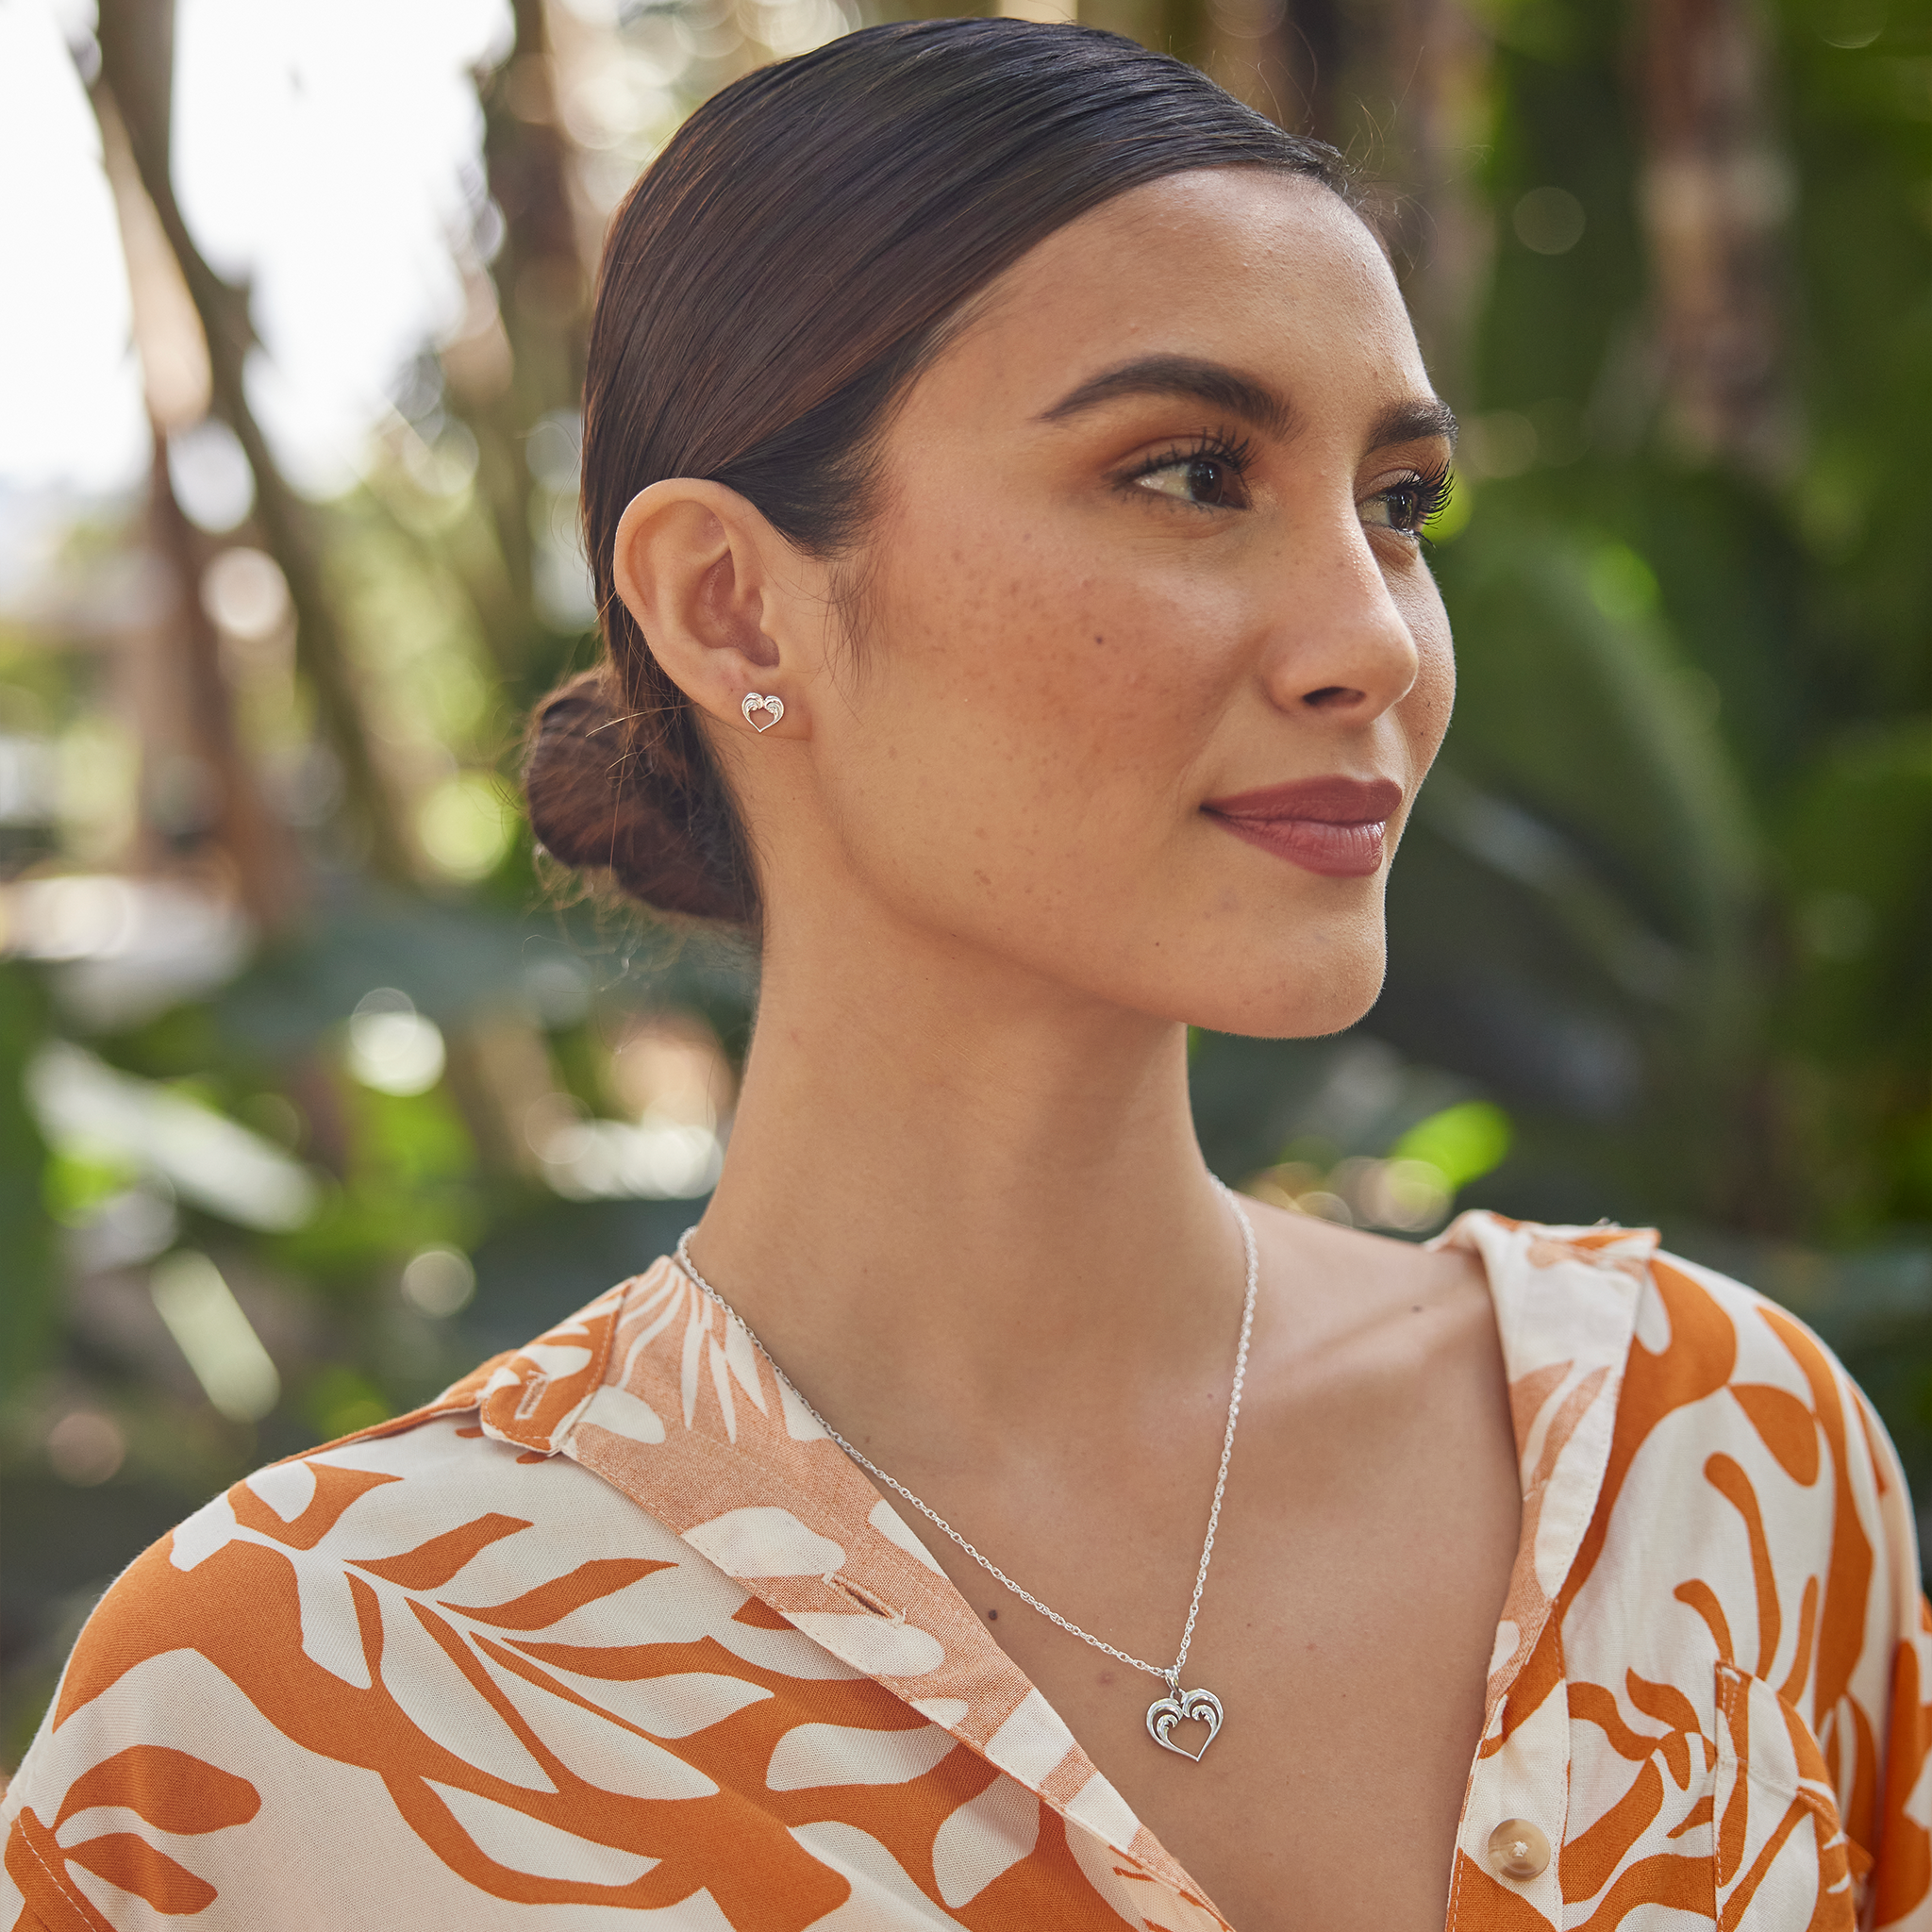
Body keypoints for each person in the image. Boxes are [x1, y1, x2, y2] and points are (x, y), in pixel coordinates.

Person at [5, 18, 1927, 1930]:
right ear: (733, 603)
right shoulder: (285, 1717)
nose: (1374, 642)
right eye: (1187, 472)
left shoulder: (1705, 1463)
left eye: (1397, 504)